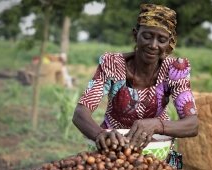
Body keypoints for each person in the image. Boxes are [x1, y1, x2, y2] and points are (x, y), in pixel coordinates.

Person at [73, 4, 198, 155]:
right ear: (135, 34)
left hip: (157, 148)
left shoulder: (175, 69)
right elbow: (80, 113)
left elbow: (192, 125)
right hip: (112, 144)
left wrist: (157, 125)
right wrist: (100, 134)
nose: (153, 45)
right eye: (147, 36)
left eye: (162, 39)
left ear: (169, 43)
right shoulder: (112, 64)